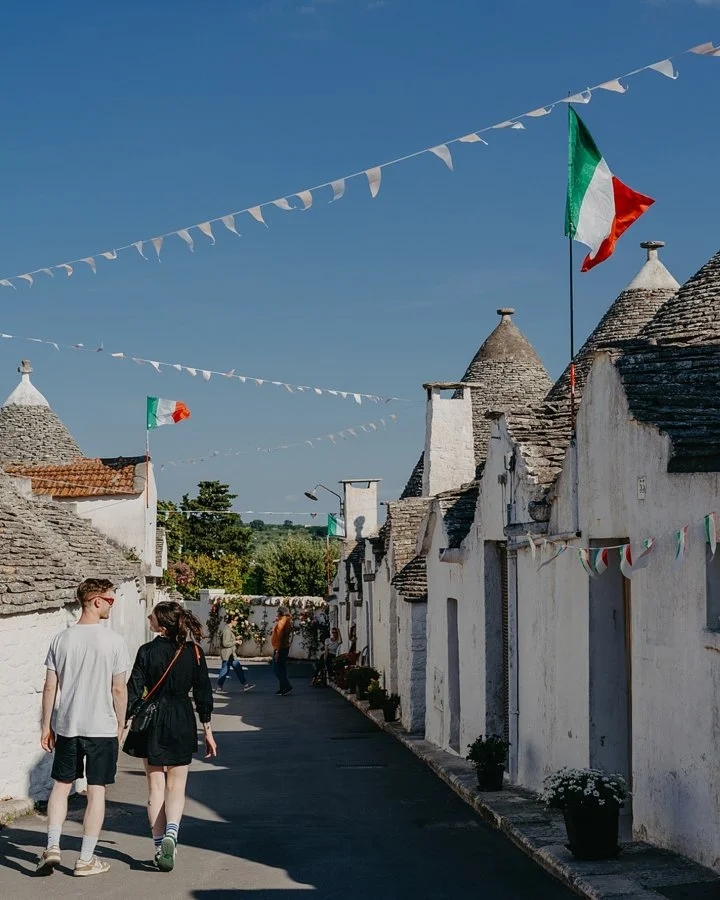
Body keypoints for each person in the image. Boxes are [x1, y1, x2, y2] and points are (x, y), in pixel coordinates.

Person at [37, 578, 130, 878]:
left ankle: (52, 846)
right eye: (111, 600)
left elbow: (50, 686)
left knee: (61, 786)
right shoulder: (114, 641)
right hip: (100, 726)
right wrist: (120, 723)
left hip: (68, 725)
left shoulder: (61, 639)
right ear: (95, 601)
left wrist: (46, 726)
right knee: (96, 790)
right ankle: (86, 859)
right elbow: (118, 689)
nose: (112, 606)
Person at [123, 601, 216, 873]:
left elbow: (133, 690)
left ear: (161, 625)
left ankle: (158, 845)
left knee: (155, 789)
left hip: (152, 721)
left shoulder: (146, 651)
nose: (147, 617)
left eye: (151, 615)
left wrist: (122, 722)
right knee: (177, 786)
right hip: (182, 718)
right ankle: (172, 836)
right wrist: (207, 731)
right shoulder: (194, 653)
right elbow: (203, 694)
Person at [217, 615, 255, 693]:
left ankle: (245, 685)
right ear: (232, 620)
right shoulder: (227, 630)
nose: (237, 622)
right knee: (225, 670)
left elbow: (228, 640)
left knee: (238, 668)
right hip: (227, 654)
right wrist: (236, 642)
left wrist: (236, 638)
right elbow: (225, 643)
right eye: (236, 620)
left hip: (230, 654)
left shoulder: (229, 629)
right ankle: (219, 688)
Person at [271, 605, 293, 696]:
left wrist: (277, 652)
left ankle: (286, 686)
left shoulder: (281, 623)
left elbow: (280, 638)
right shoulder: (287, 622)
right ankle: (282, 688)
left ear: (280, 613)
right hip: (285, 647)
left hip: (280, 648)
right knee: (282, 669)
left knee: (276, 670)